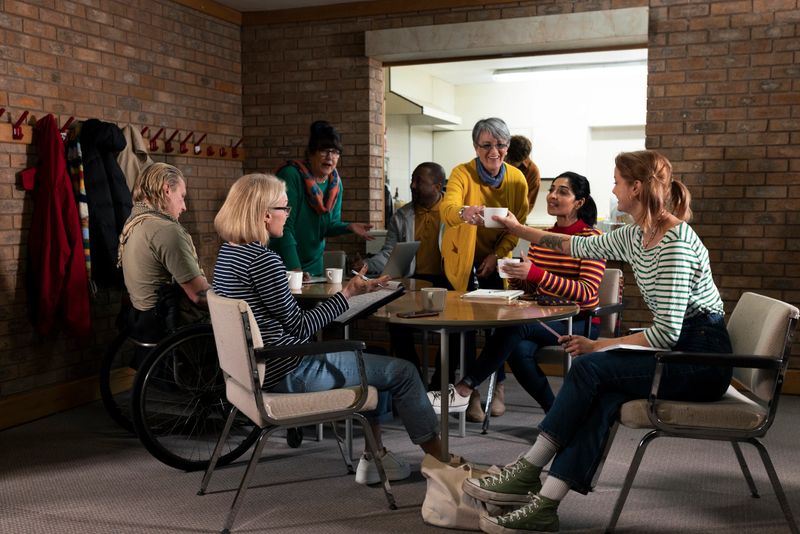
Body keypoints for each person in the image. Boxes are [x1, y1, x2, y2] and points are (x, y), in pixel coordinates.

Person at [463, 150, 733, 534]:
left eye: (618, 182)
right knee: (604, 394)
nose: (614, 189)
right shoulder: (636, 234)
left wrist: (597, 346)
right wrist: (516, 227)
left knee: (591, 367)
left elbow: (667, 334)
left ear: (635, 188)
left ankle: (527, 470)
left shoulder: (673, 243)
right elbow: (572, 245)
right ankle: (545, 503)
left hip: (702, 359)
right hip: (682, 350)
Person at [212, 173, 453, 486]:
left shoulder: (229, 254)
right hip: (288, 370)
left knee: (377, 359)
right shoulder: (264, 260)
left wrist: (346, 298)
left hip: (255, 371)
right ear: (265, 214)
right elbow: (300, 327)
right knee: (404, 371)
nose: (289, 215)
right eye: (285, 208)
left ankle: (375, 456)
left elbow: (286, 321)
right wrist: (348, 295)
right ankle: (439, 461)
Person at [428, 172, 606, 416]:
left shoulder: (592, 239)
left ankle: (464, 388)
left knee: (515, 328)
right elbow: (532, 290)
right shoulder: (540, 237)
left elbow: (586, 293)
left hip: (578, 321)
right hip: (543, 318)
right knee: (517, 350)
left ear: (579, 202)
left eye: (562, 192)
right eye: (552, 189)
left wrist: (535, 274)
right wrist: (517, 277)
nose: (552, 196)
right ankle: (555, 414)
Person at [439, 117, 529, 419]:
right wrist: (465, 211)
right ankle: (472, 394)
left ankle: (497, 387)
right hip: (462, 259)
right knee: (464, 327)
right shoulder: (461, 173)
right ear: (476, 147)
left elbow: (518, 225)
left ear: (508, 147)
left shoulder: (517, 179)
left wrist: (496, 254)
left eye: (501, 145)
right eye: (486, 145)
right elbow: (447, 208)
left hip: (496, 257)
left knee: (497, 327)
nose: (494, 152)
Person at [352, 162, 465, 389]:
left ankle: (442, 381)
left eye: (419, 182)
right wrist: (367, 264)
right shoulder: (401, 216)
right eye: (412, 180)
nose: (412, 186)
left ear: (437, 186)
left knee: (454, 327)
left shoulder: (454, 214)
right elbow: (389, 254)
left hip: (448, 281)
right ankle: (411, 374)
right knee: (396, 322)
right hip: (413, 281)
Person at [118, 163, 209, 345]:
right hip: (167, 325)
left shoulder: (133, 223)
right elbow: (199, 296)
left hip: (141, 321)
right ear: (167, 189)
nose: (184, 207)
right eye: (182, 197)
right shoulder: (165, 230)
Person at [269, 120, 373, 276]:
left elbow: (328, 226)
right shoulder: (291, 175)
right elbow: (285, 229)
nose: (330, 157)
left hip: (314, 268)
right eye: (324, 150)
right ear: (311, 153)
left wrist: (348, 226)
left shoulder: (335, 184)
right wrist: (295, 270)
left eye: (335, 152)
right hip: (284, 265)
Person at [505, 135, 542, 215]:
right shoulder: (499, 160)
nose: (509, 164)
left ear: (524, 158)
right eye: (508, 159)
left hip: (516, 215)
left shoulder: (532, 171)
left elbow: (529, 201)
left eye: (513, 162)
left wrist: (518, 221)